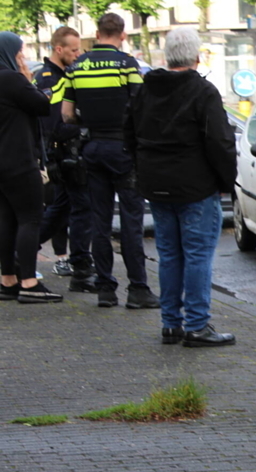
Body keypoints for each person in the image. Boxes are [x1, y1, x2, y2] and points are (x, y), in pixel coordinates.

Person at [124, 28, 237, 347]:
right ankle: (197, 325)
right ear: (197, 58)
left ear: (166, 57)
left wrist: (143, 169)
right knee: (198, 255)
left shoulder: (145, 91)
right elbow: (220, 141)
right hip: (195, 185)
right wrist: (226, 181)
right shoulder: (203, 92)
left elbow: (129, 133)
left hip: (156, 184)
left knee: (169, 254)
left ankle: (171, 323)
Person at [62, 13, 159, 310]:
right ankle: (138, 289)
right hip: (123, 150)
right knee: (130, 221)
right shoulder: (128, 64)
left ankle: (105, 288)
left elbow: (66, 114)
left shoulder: (77, 66)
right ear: (123, 34)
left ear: (96, 33)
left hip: (92, 148)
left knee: (99, 221)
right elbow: (142, 107)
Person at [0, 31, 62, 303]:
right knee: (29, 218)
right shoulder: (12, 79)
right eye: (19, 51)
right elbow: (42, 105)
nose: (22, 57)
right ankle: (29, 281)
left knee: (4, 221)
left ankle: (7, 280)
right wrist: (26, 77)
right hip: (19, 160)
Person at [34, 26, 81, 279]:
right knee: (59, 209)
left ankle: (25, 252)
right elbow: (52, 125)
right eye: (74, 50)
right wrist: (81, 128)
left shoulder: (63, 74)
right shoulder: (50, 79)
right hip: (56, 155)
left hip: (61, 154)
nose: (78, 54)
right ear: (59, 49)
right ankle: (26, 252)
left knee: (62, 208)